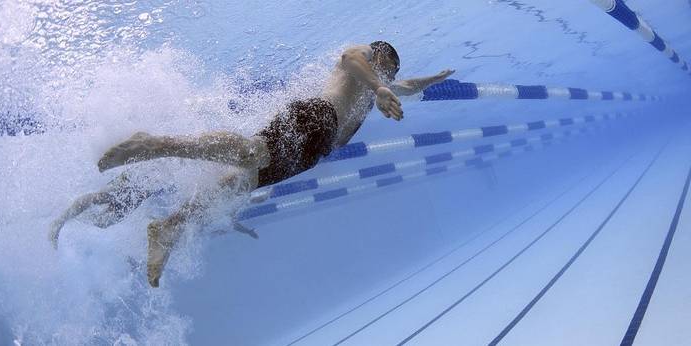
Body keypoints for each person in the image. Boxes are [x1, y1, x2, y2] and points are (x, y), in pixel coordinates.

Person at [51, 41, 455, 287]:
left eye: (390, 73)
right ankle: (153, 144)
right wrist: (380, 85)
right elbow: (351, 58)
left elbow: (406, 86)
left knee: (236, 184)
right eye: (387, 68)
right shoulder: (365, 62)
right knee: (250, 153)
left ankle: (168, 227)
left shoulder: (378, 89)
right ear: (380, 57)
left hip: (311, 153)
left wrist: (433, 79)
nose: (389, 75)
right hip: (314, 117)